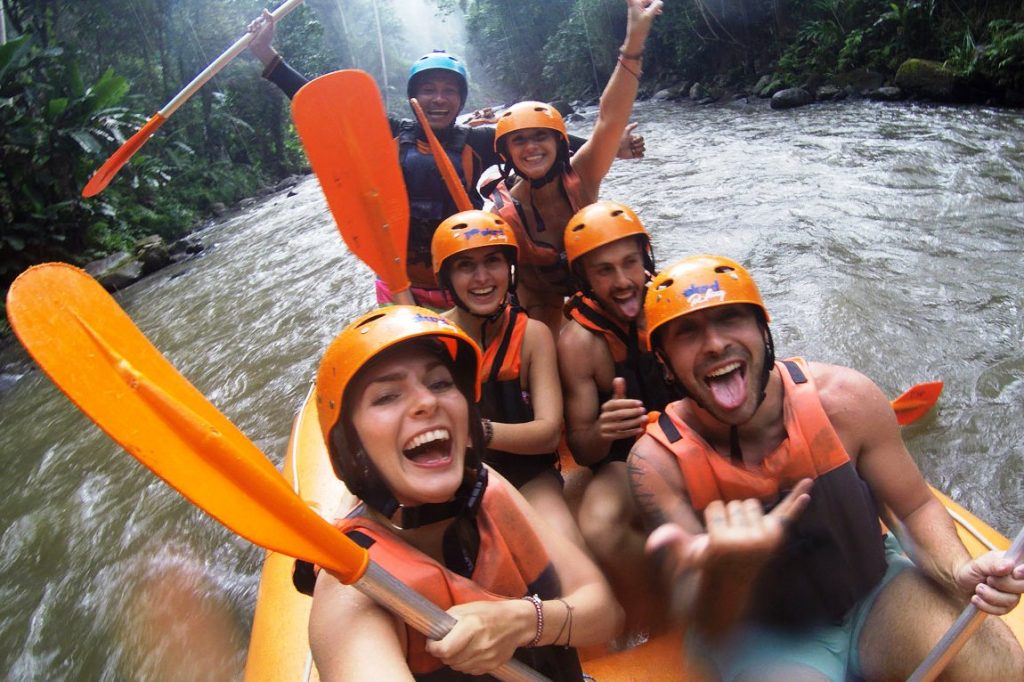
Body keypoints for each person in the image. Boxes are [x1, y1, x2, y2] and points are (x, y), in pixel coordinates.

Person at [628, 254, 1024, 681]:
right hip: (763, 639)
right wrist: (733, 571)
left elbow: (913, 508)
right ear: (664, 363)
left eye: (731, 319)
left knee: (996, 665)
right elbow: (705, 618)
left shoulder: (845, 400)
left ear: (764, 330)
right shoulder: (657, 464)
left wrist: (959, 572)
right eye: (687, 332)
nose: (714, 344)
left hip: (875, 595)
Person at [246, 11, 645, 310]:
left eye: (449, 91)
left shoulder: (479, 140)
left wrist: (613, 146)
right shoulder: (386, 134)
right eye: (429, 90)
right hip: (401, 284)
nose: (439, 99)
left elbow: (540, 140)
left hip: (469, 284)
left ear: (461, 98)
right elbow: (323, 107)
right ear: (413, 96)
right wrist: (268, 57)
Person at [308, 305, 623, 681]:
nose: (427, 402)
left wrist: (524, 620)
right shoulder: (351, 589)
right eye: (387, 396)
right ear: (352, 446)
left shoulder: (486, 485)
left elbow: (606, 615)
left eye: (440, 383)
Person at [484, 0, 663, 335]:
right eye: (519, 141)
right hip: (544, 302)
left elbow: (610, 119)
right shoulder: (501, 216)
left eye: (540, 137)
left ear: (559, 145)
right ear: (506, 153)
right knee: (551, 334)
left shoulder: (581, 175)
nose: (532, 147)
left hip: (605, 283)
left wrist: (633, 41)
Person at [556, 200, 675, 632]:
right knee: (600, 525)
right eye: (604, 270)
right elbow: (586, 449)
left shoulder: (672, 303)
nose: (624, 282)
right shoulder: (578, 342)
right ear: (583, 278)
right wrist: (604, 430)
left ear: (646, 259)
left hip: (693, 440)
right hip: (626, 459)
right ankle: (654, 618)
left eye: (630, 263)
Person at [430, 210, 583, 546]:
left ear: (509, 269)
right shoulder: (429, 339)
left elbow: (546, 434)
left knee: (567, 546)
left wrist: (476, 431)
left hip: (527, 476)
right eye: (465, 265)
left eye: (493, 261)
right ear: (447, 279)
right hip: (455, 481)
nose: (482, 277)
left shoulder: (533, 337)